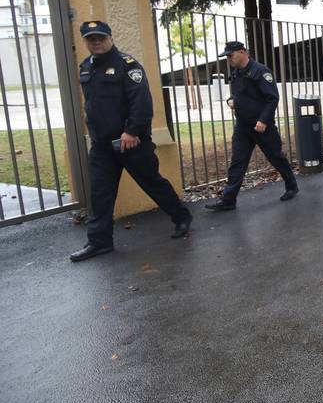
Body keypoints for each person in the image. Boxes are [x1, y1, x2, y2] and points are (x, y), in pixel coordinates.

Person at [70, 21, 192, 262]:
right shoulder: (87, 67)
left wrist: (132, 131)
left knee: (152, 183)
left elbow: (142, 102)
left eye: (100, 38)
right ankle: (99, 241)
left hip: (131, 142)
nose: (96, 42)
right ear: (85, 41)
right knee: (100, 194)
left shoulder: (128, 66)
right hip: (102, 145)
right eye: (91, 39)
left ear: (110, 38)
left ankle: (181, 216)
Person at [205, 41, 298, 211]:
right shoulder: (236, 74)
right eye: (227, 56)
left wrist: (263, 120)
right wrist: (230, 100)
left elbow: (272, 98)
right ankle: (228, 200)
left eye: (230, 55)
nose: (228, 59)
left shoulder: (260, 71)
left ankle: (291, 185)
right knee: (237, 162)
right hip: (243, 126)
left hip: (262, 126)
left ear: (242, 52)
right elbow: (237, 94)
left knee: (276, 157)